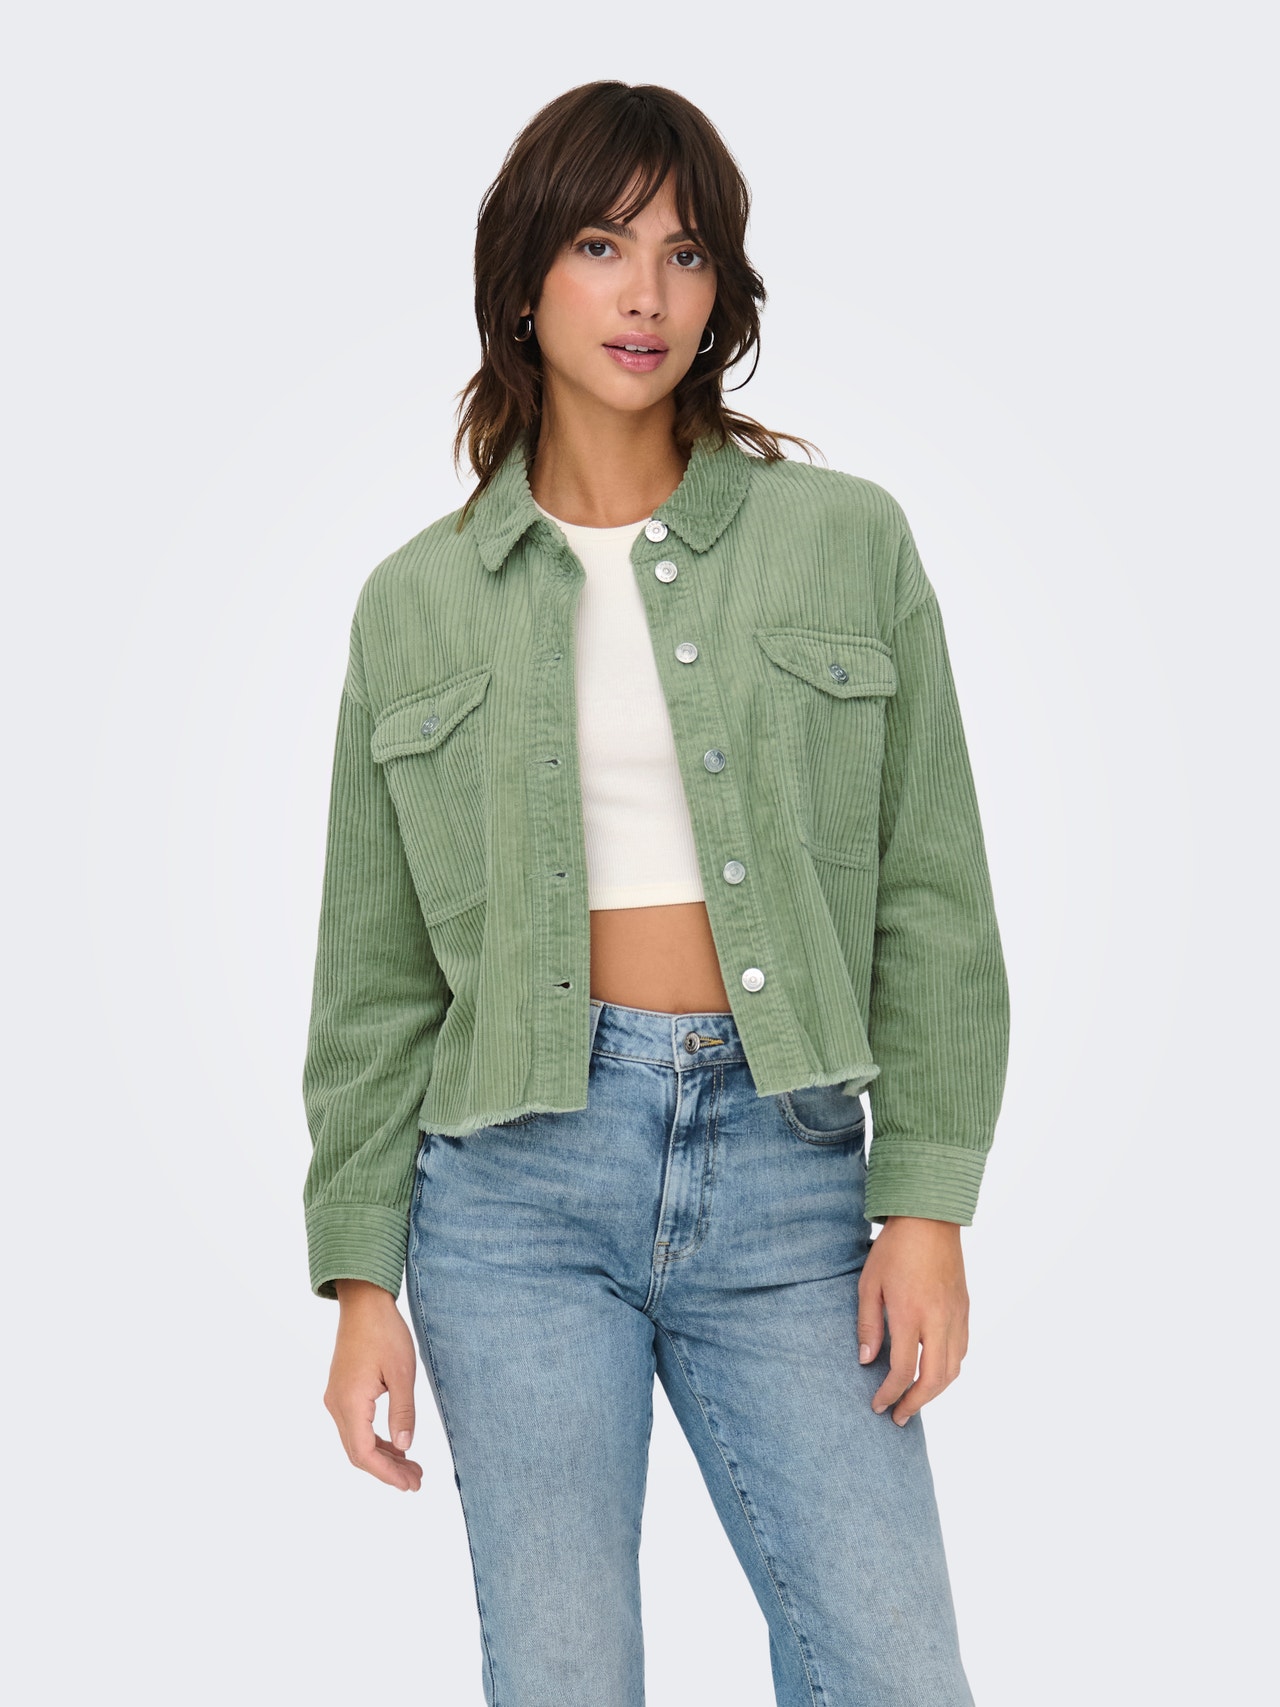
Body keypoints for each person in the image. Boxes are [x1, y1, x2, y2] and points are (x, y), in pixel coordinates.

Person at [302, 79, 1010, 1707]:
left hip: (788, 1176)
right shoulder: (416, 603)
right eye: (603, 246)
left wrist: (927, 1202)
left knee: (897, 1669)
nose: (646, 295)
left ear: (723, 292)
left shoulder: (845, 542)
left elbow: (933, 891)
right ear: (525, 279)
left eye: (686, 255)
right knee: (565, 1676)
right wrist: (358, 1281)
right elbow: (374, 980)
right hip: (510, 1196)